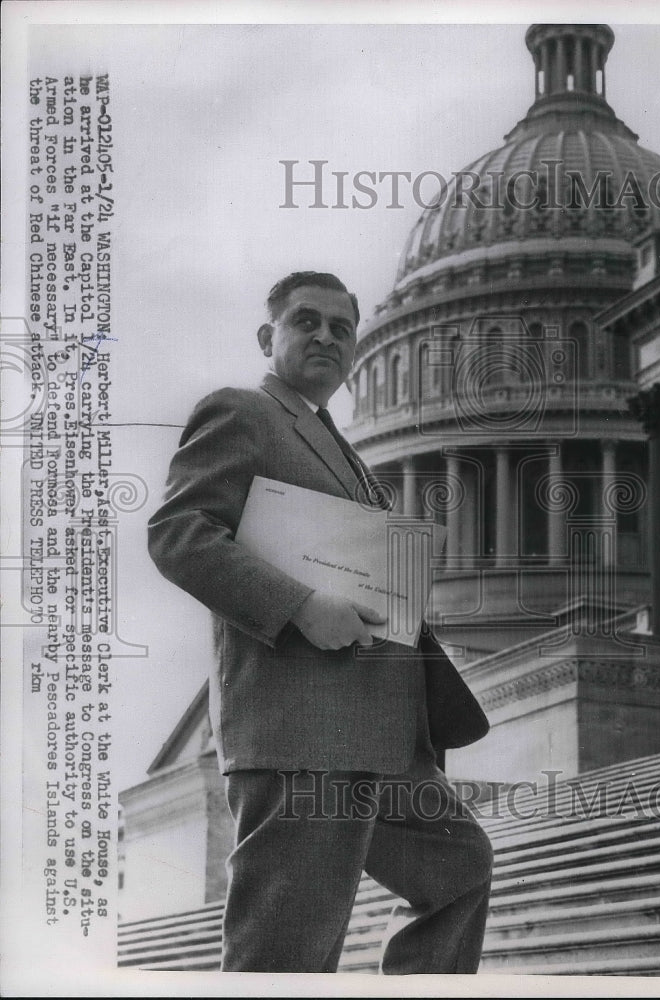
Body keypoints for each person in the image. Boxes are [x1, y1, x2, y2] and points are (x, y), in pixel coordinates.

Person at [147, 271, 493, 974]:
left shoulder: (340, 447)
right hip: (303, 733)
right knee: (287, 954)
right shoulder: (242, 411)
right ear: (266, 336)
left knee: (460, 869)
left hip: (385, 739)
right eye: (307, 322)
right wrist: (300, 606)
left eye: (341, 328)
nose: (326, 338)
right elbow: (178, 532)